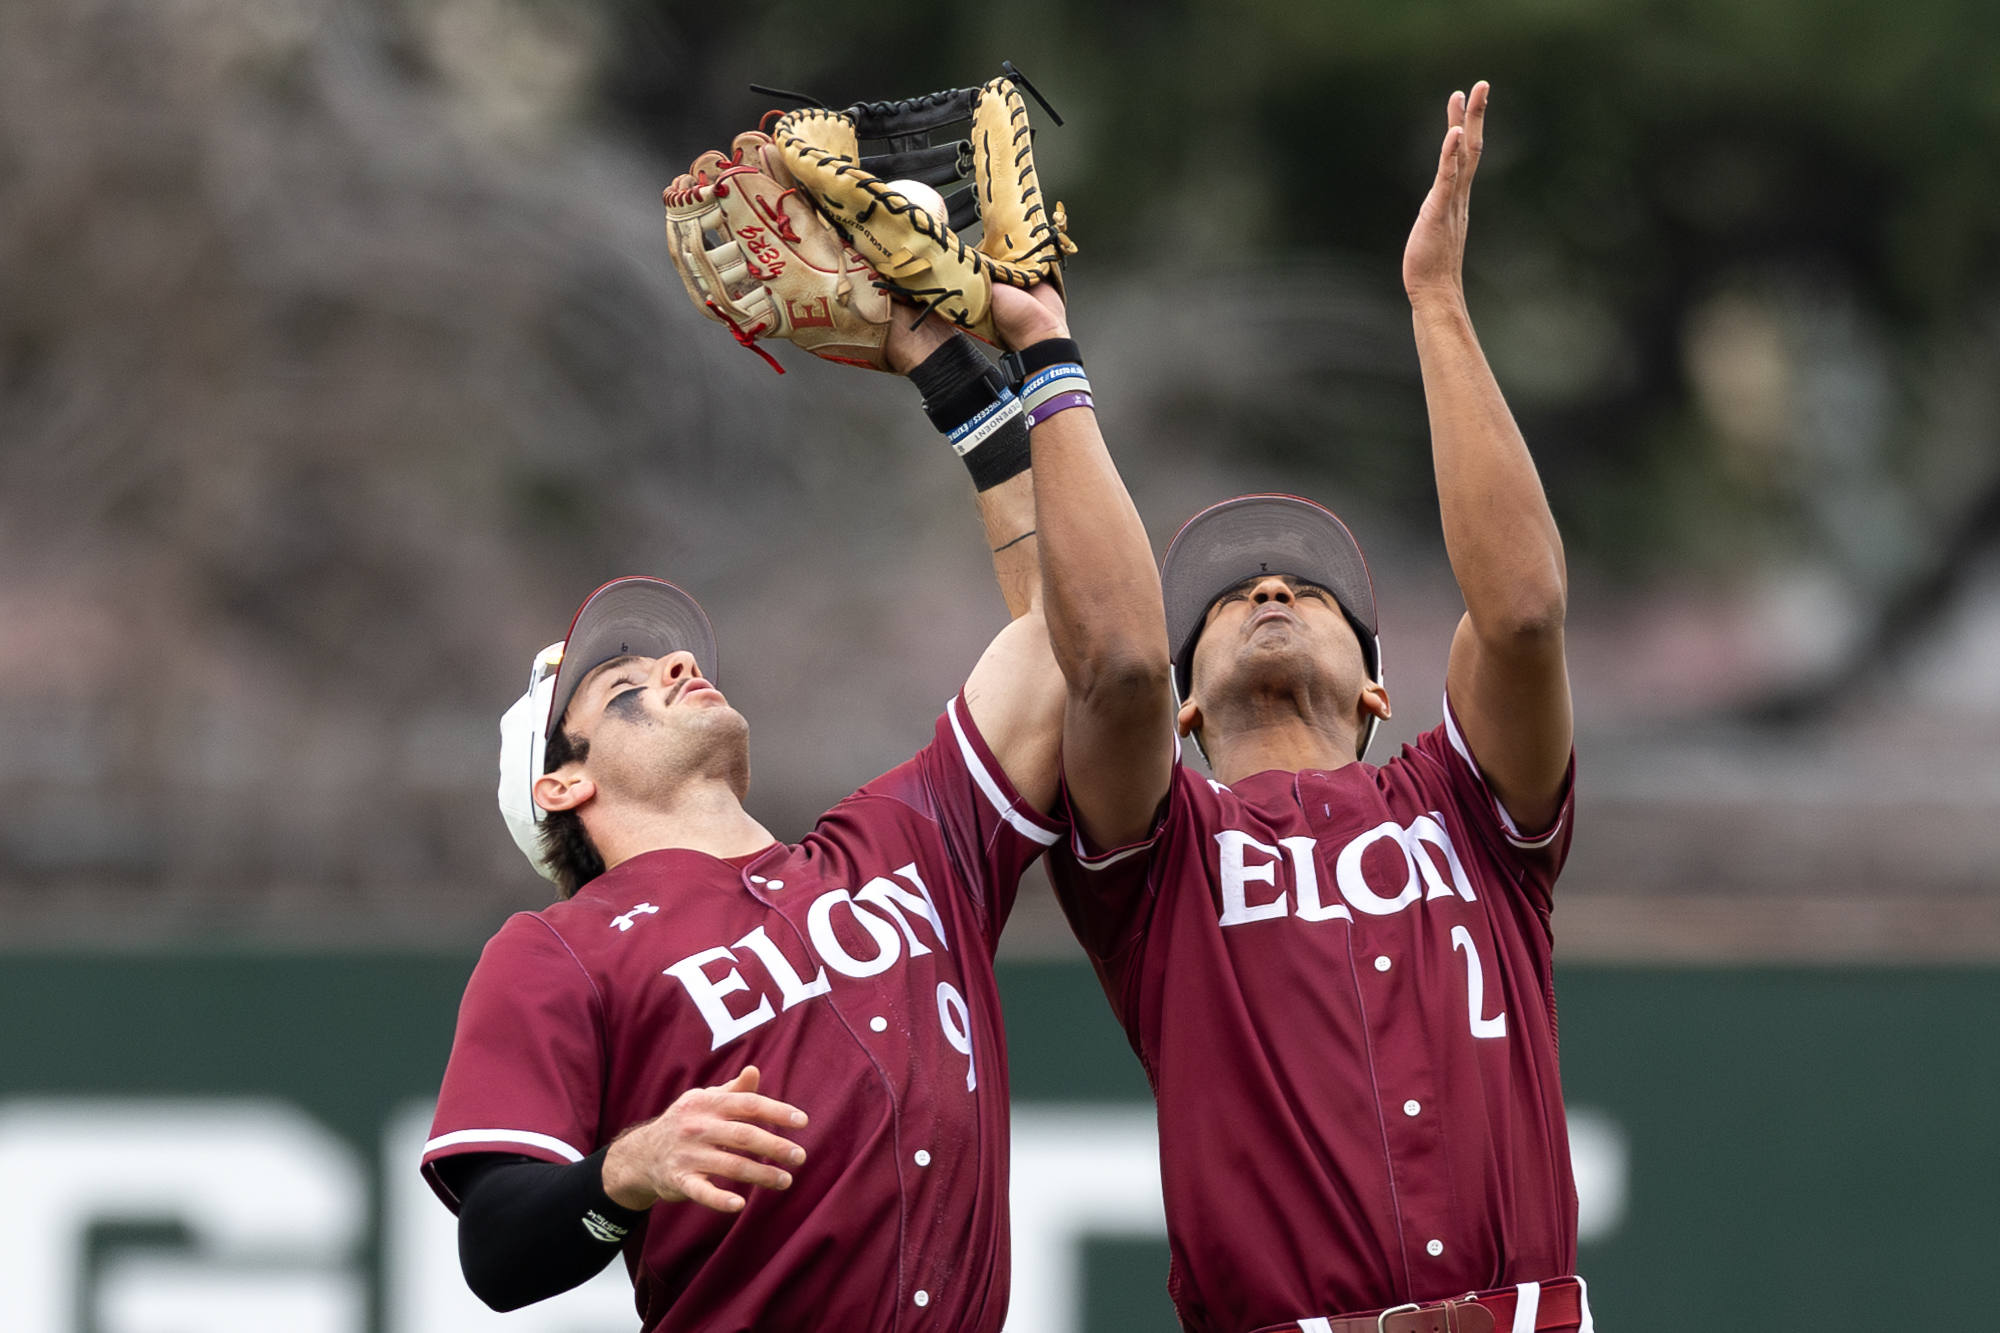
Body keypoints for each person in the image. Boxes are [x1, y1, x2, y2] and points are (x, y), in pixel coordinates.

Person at [1020, 83, 1596, 1332]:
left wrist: (1436, 306)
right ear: (1180, 711)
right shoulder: (1154, 862)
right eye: (1224, 596)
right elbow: (1110, 659)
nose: (1268, 585)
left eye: (1311, 589)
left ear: (1380, 685)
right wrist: (1041, 363)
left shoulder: (1467, 806)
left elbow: (1523, 614)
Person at [418, 299, 1069, 1331]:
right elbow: (495, 1249)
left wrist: (953, 371)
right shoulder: (559, 951)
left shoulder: (898, 844)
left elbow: (1063, 634)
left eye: (671, 657)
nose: (678, 663)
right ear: (561, 783)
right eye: (620, 679)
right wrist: (623, 1169)